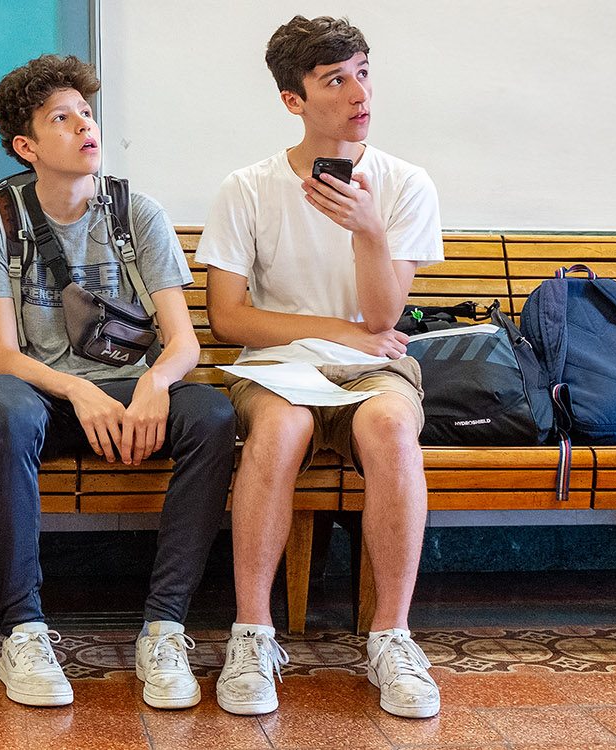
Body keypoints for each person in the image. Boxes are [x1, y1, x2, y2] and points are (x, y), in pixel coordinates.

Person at [0, 54, 236, 709]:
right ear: (26, 145)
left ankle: (164, 628)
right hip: (46, 400)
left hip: (134, 399)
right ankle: (24, 632)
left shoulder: (134, 213)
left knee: (213, 416)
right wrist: (78, 390)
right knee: (4, 412)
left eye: (86, 113)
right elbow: (2, 355)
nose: (85, 126)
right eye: (63, 118)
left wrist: (156, 388)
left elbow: (184, 342)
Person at [197, 16, 443, 718]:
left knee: (393, 428)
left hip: (373, 369)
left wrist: (368, 228)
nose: (358, 92)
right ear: (293, 100)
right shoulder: (248, 187)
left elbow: (383, 321)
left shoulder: (403, 184)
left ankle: (391, 638)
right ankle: (253, 634)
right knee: (279, 431)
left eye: (363, 72)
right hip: (276, 369)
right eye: (335, 79)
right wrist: (335, 330)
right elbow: (229, 319)